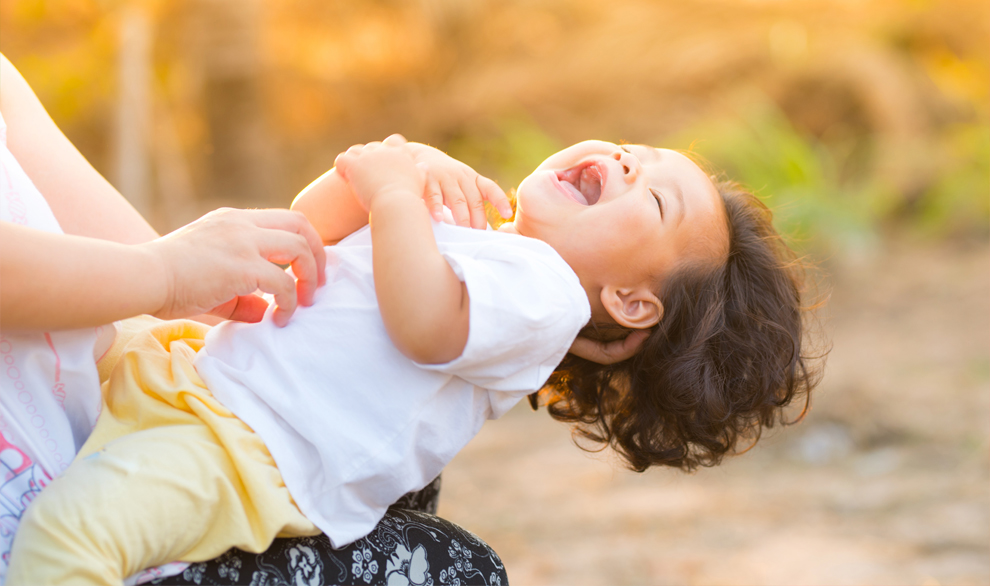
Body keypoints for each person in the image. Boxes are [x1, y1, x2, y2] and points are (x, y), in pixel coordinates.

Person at [7, 130, 822, 585]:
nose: (622, 160)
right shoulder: (480, 230)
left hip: (241, 450)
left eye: (650, 194)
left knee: (73, 541)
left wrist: (399, 196)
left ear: (632, 303)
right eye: (631, 149)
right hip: (195, 380)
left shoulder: (544, 298)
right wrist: (374, 173)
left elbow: (424, 325)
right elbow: (311, 231)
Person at [0, 54, 509, 586]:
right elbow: (165, 268)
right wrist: (167, 272)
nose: (609, 155)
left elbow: (162, 269)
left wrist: (208, 288)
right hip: (49, 506)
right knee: (454, 566)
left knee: (390, 466)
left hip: (103, 399)